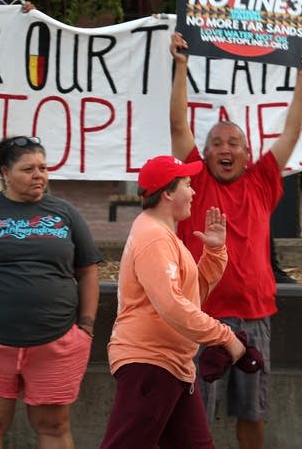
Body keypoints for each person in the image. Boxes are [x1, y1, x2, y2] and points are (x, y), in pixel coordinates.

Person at [169, 32, 302, 448]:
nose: (224, 148)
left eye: (234, 142)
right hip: (201, 318)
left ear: (248, 153)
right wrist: (180, 67)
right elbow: (178, 125)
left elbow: (292, 132)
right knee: (194, 416)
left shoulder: (262, 182)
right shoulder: (193, 179)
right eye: (216, 143)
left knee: (252, 415)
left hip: (255, 319)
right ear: (206, 152)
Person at [100, 155, 246, 449]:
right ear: (167, 193)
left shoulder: (161, 234)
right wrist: (225, 336)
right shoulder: (154, 237)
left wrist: (215, 252)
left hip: (171, 364)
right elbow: (172, 306)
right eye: (188, 184)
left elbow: (188, 297)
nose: (193, 192)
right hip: (151, 362)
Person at [0, 136, 102, 448]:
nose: (39, 175)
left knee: (53, 425)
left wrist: (86, 328)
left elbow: (88, 269)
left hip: (56, 343)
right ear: (5, 174)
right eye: (28, 169)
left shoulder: (65, 212)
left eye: (43, 168)